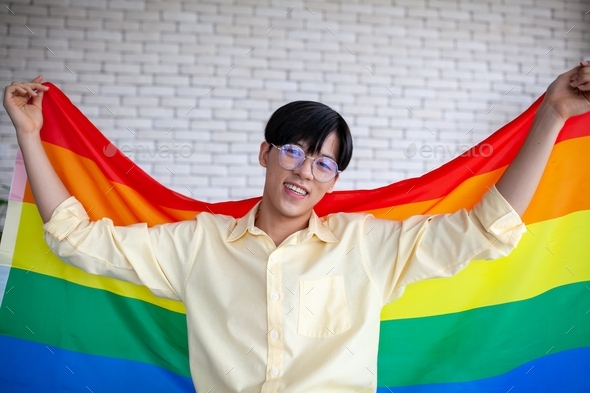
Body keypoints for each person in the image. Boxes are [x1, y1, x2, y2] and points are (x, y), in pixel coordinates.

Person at [3, 62, 590, 392]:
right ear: (265, 154)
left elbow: (488, 230)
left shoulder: (368, 246)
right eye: (293, 150)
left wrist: (553, 114)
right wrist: (29, 134)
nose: (305, 171)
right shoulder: (198, 244)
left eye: (324, 161)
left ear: (334, 179)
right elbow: (75, 239)